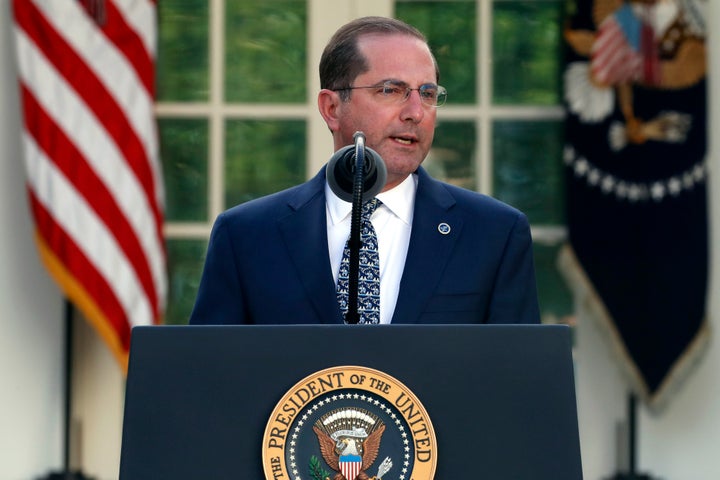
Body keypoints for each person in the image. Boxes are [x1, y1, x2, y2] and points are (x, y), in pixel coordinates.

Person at [189, 16, 540, 326]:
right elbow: (209, 380)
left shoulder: (494, 234)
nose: (416, 112)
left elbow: (518, 385)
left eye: (428, 93)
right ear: (331, 108)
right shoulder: (247, 236)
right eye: (391, 90)